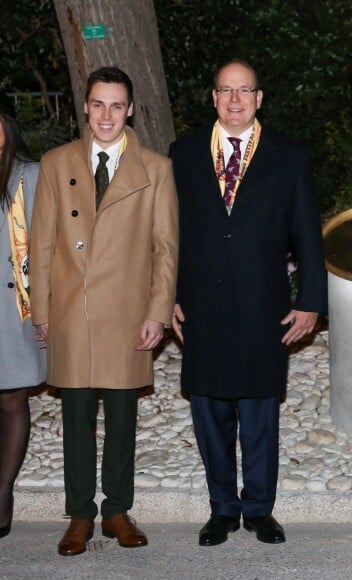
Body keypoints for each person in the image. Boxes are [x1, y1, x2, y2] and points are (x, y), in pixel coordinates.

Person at [169, 59, 327, 547]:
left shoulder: (289, 156)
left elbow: (308, 236)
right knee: (210, 409)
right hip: (201, 304)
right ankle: (222, 509)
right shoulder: (183, 153)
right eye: (225, 91)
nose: (234, 100)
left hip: (264, 305)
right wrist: (166, 296)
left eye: (245, 91)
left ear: (259, 99)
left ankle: (259, 508)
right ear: (212, 97)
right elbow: (166, 235)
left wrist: (312, 302)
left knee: (260, 412)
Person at [29, 67, 178, 556]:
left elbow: (165, 248)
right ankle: (79, 515)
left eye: (117, 105)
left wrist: (157, 311)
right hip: (72, 310)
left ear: (131, 109)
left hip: (127, 313)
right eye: (98, 104)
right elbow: (44, 242)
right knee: (75, 418)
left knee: (120, 416)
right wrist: (42, 309)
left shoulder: (154, 168)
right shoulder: (56, 163)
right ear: (86, 108)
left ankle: (116, 509)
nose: (107, 115)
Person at [0, 98, 46, 539]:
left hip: (14, 308)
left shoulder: (29, 176)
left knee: (12, 400)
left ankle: (2, 492)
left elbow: (49, 247)